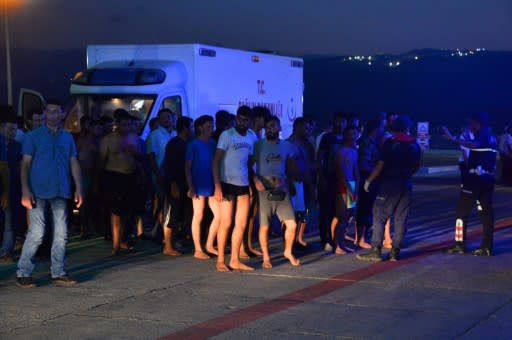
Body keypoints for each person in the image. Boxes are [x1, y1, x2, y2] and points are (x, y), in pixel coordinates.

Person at [16, 100, 83, 288]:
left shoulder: (67, 137)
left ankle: (58, 271)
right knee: (37, 232)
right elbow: (25, 164)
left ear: (62, 114)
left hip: (61, 189)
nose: (53, 115)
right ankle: (23, 271)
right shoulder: (33, 136)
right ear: (45, 113)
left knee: (61, 233)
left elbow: (73, 162)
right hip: (37, 189)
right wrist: (25, 189)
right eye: (50, 111)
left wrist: (79, 188)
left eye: (56, 112)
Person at [357, 115, 421, 262]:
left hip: (388, 185)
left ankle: (376, 250)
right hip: (405, 184)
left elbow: (380, 165)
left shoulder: (390, 143)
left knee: (379, 217)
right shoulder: (414, 145)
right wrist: (407, 174)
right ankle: (395, 252)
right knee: (401, 219)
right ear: (407, 128)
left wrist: (368, 180)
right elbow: (417, 165)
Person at [442, 112, 498, 256]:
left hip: (474, 179)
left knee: (461, 212)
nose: (469, 125)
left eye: (471, 122)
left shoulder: (483, 135)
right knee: (486, 213)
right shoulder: (491, 135)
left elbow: (474, 145)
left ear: (478, 123)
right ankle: (487, 247)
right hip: (487, 178)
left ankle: (459, 245)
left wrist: (453, 139)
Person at [252, 115, 300, 268]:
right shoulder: (259, 145)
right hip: (264, 190)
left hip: (282, 189)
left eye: (273, 126)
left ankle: (287, 251)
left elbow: (291, 167)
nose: (270, 129)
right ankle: (266, 257)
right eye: (267, 127)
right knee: (264, 226)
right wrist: (256, 180)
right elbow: (247, 165)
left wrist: (289, 182)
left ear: (279, 128)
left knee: (292, 224)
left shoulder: (287, 146)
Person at [212, 106, 256, 272]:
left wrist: (252, 182)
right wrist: (217, 186)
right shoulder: (227, 135)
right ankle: (221, 260)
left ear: (249, 121)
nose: (241, 122)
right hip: (226, 183)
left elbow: (251, 161)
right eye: (239, 118)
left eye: (245, 120)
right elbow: (215, 161)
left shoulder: (252, 136)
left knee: (242, 223)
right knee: (226, 222)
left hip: (243, 184)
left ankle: (235, 260)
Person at [98, 109, 143, 255]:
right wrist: (98, 181)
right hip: (114, 176)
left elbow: (142, 157)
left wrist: (134, 152)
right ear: (117, 124)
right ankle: (115, 244)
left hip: (130, 176)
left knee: (128, 211)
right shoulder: (108, 140)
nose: (126, 128)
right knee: (115, 212)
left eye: (128, 125)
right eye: (123, 124)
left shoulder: (134, 138)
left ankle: (123, 239)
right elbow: (101, 161)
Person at [185, 115, 220, 259]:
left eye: (212, 126)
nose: (211, 129)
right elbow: (187, 167)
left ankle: (209, 245)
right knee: (198, 214)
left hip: (211, 182)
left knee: (219, 216)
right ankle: (198, 249)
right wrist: (191, 186)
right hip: (199, 183)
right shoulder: (193, 144)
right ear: (200, 128)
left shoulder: (213, 143)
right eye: (208, 127)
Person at [161, 116, 193, 256]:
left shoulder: (185, 143)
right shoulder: (175, 143)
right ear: (185, 128)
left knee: (179, 215)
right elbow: (169, 165)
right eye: (191, 126)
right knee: (171, 215)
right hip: (174, 184)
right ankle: (167, 246)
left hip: (182, 184)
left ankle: (172, 243)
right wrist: (173, 184)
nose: (192, 129)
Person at [317, 112, 347, 250]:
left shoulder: (347, 138)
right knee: (326, 211)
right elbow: (320, 158)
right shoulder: (327, 138)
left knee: (344, 211)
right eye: (338, 121)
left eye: (343, 122)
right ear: (334, 122)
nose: (340, 124)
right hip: (328, 179)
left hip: (346, 181)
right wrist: (322, 177)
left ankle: (339, 239)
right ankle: (326, 240)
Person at [146, 109, 177, 239]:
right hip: (161, 174)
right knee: (164, 203)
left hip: (174, 175)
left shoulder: (175, 133)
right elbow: (151, 157)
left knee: (169, 204)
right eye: (163, 117)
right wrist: (158, 174)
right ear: (159, 119)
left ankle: (160, 232)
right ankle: (162, 234)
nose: (166, 119)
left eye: (168, 117)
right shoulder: (155, 135)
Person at [355, 119, 384, 249]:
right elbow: (363, 164)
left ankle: (361, 237)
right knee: (364, 209)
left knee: (367, 209)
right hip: (366, 180)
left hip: (370, 179)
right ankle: (360, 238)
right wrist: (376, 173)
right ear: (376, 129)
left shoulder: (373, 143)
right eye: (382, 128)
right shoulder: (368, 143)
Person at [331, 126, 360, 254]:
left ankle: (341, 243)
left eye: (355, 134)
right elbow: (340, 172)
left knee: (348, 215)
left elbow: (356, 170)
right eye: (350, 134)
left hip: (352, 186)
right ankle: (336, 245)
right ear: (345, 135)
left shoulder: (354, 151)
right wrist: (349, 188)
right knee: (341, 215)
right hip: (343, 186)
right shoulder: (341, 151)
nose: (353, 136)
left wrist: (356, 188)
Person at [287, 117, 316, 248]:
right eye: (305, 128)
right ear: (297, 128)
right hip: (292, 184)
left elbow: (305, 166)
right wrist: (290, 184)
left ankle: (296, 241)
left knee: (300, 214)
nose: (308, 131)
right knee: (290, 217)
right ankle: (288, 245)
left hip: (302, 183)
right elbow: (287, 167)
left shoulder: (304, 144)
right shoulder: (288, 144)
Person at [0, 115, 17, 263]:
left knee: (9, 221)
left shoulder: (16, 145)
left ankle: (6, 251)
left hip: (10, 186)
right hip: (5, 186)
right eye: (10, 129)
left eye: (15, 129)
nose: (13, 132)